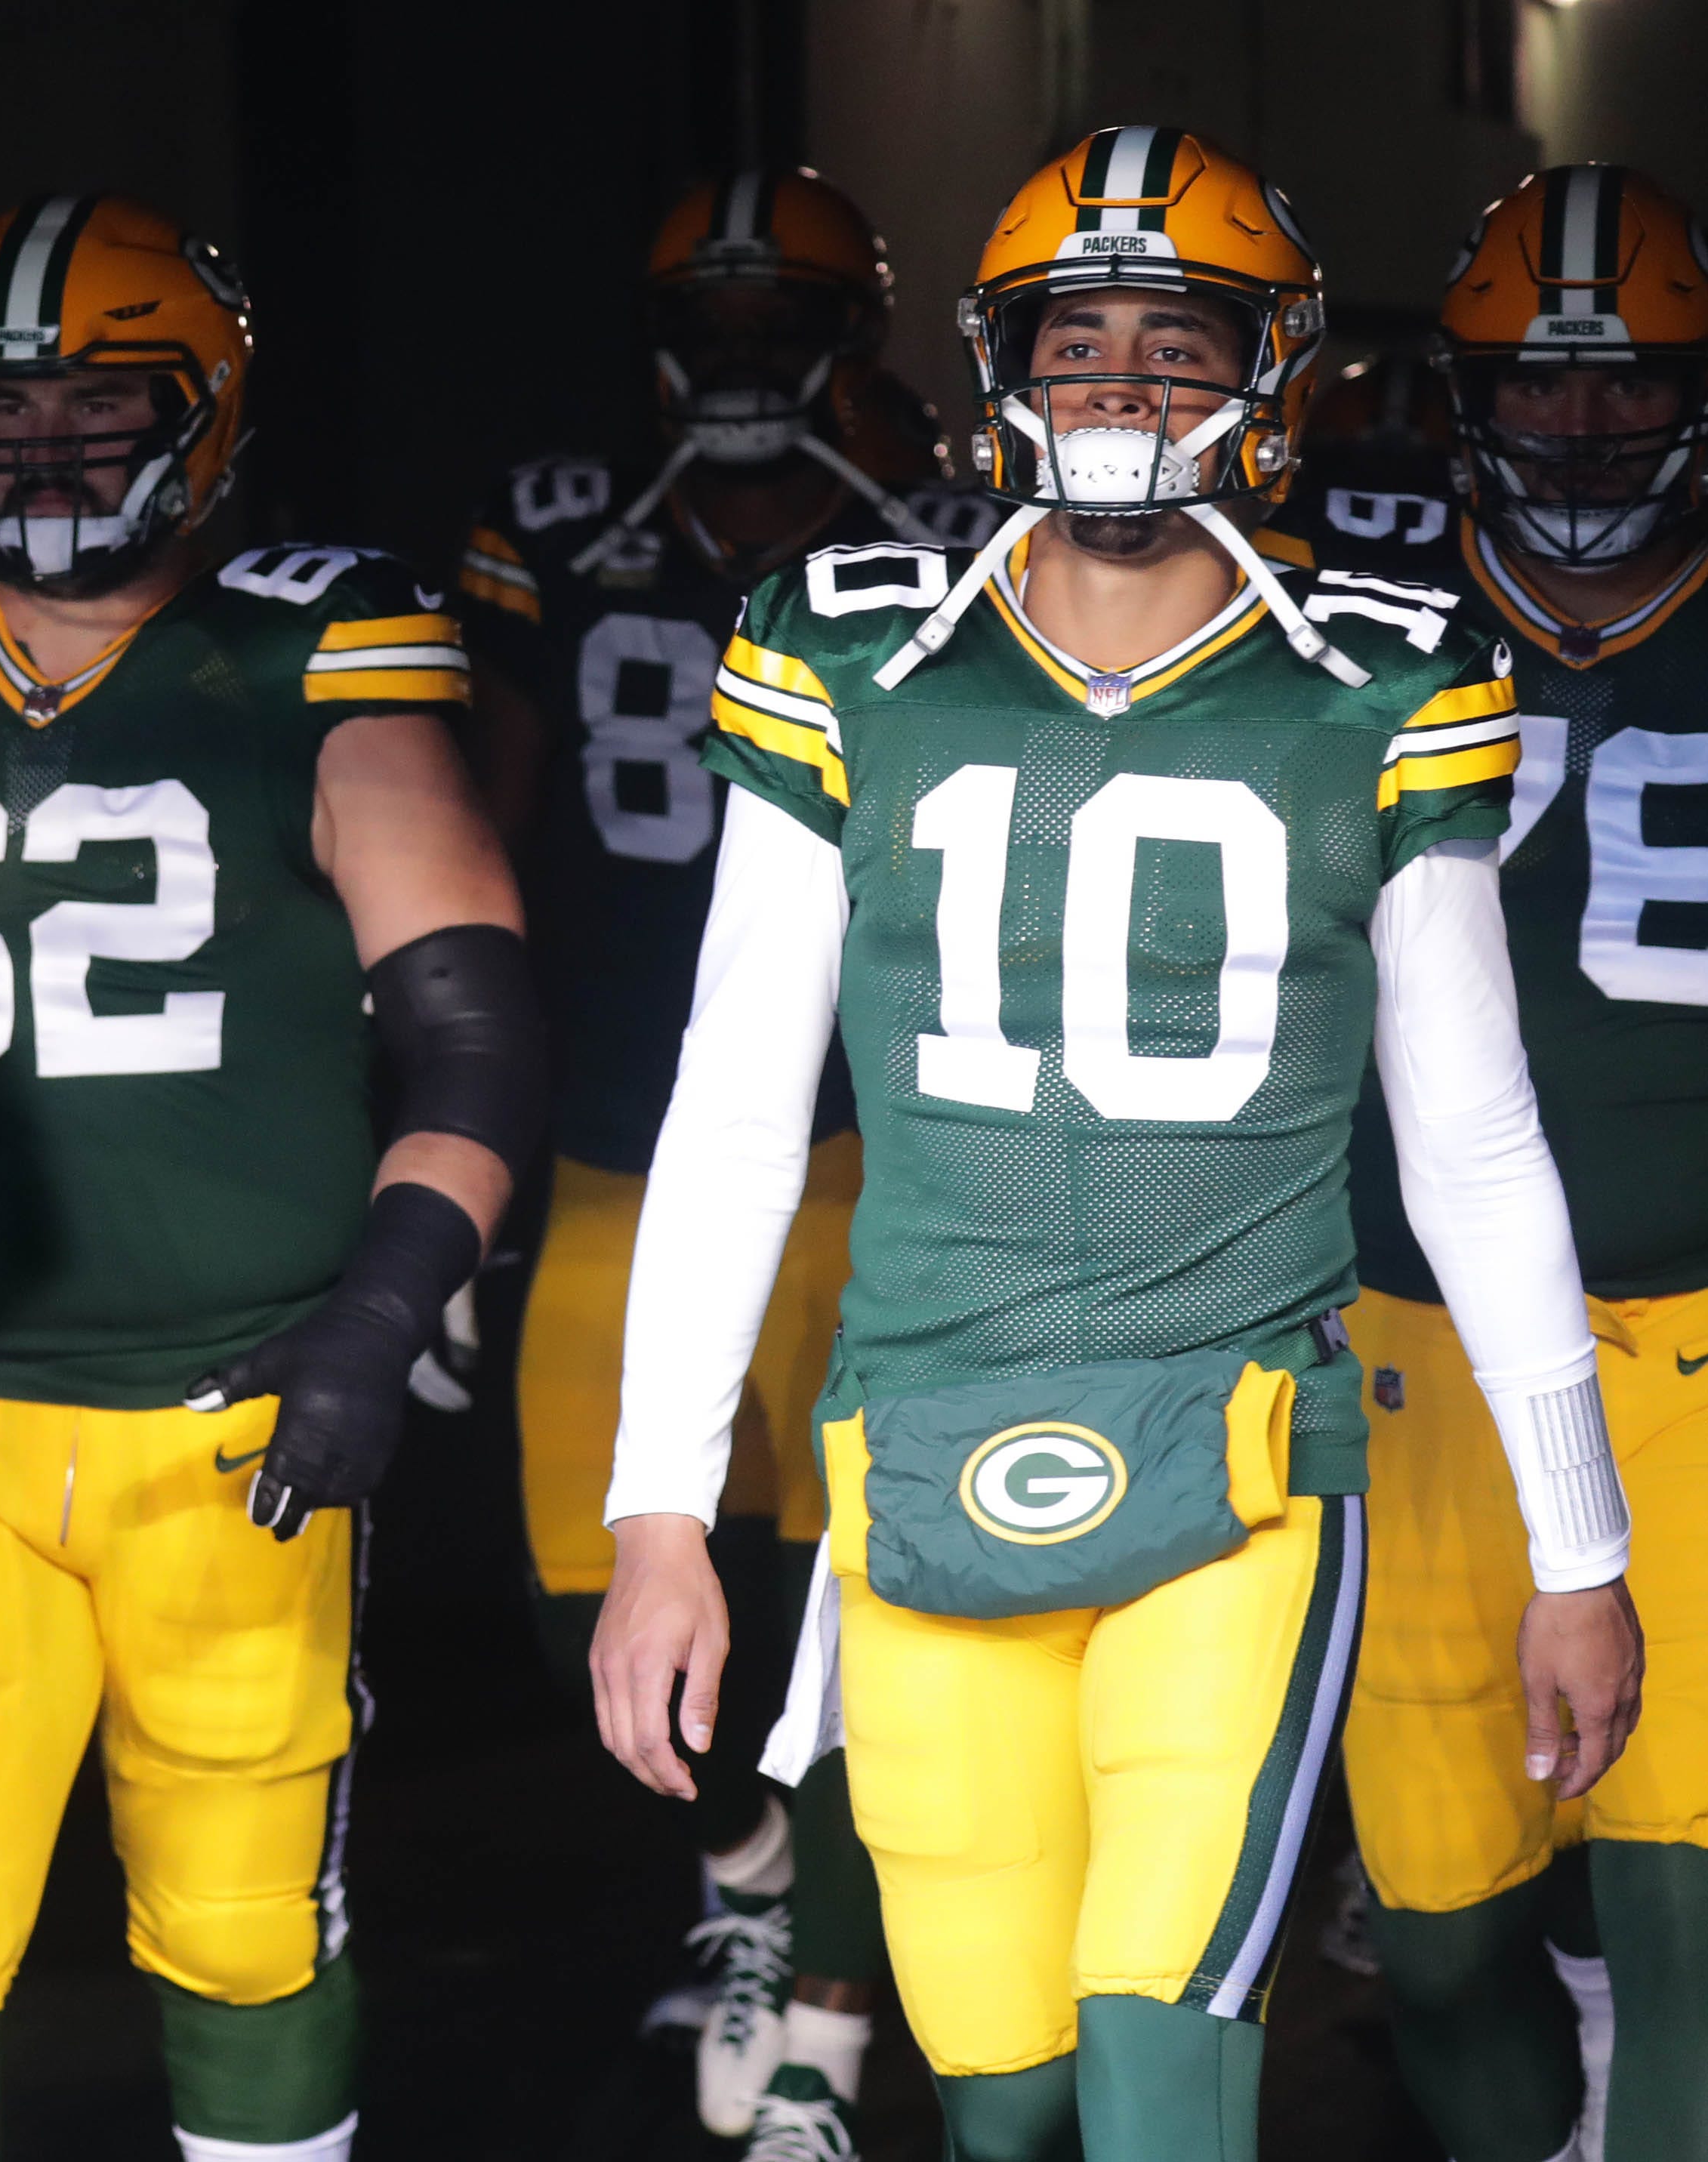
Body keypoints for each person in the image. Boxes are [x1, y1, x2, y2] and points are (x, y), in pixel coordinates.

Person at [586, 127, 1645, 2162]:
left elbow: (1473, 1143)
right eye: (1078, 343)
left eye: (1180, 345)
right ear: (1001, 362)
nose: (1122, 389)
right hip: (920, 1441)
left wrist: (1573, 1548)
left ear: (1274, 370)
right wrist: (657, 1511)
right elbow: (733, 1107)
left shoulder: (1379, 679)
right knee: (1002, 2100)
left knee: (1166, 2064)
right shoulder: (847, 646)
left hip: (1241, 1450)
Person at [0, 194, 541, 2162]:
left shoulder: (310, 643)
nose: (43, 449)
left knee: (243, 1927)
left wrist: (381, 1311)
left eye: (94, 405)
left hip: (227, 1406)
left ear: (203, 411)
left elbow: (473, 1035)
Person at [454, 166, 990, 2154]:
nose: (747, 356)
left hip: (866, 1149)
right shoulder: (563, 526)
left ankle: (829, 2030)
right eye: (715, 319)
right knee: (576, 1598)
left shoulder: (941, 540)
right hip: (620, 1139)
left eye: (786, 320)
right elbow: (481, 846)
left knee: (854, 1611)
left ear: (857, 334)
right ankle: (754, 1870)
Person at [1277, 162, 1708, 2162]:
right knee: (1444, 1944)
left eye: (1630, 382)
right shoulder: (1331, 606)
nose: (1582, 421)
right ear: (1461, 396)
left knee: (1686, 1914)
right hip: (1408, 1344)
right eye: (1537, 381)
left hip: (1696, 1339)